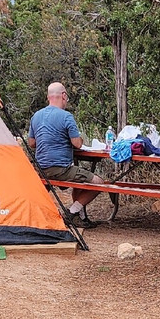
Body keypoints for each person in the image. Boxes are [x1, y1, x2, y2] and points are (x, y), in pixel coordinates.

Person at [27, 82, 104, 225]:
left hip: (40, 169)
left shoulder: (36, 116)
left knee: (78, 180)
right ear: (64, 96)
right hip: (60, 169)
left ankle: (81, 217)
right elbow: (78, 144)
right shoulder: (66, 116)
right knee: (99, 183)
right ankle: (72, 212)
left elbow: (32, 143)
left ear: (48, 97)